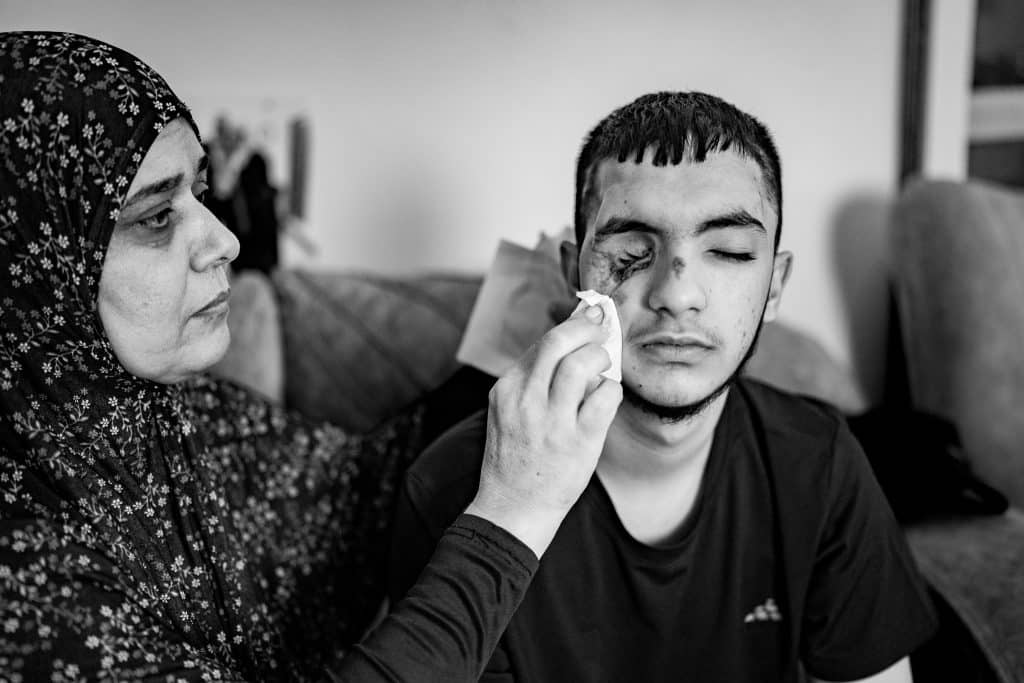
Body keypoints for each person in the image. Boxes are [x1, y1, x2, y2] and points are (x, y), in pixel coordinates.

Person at [0, 32, 622, 682]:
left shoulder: (174, 413)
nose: (227, 240)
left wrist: (527, 331)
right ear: (29, 269)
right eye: (156, 217)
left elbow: (361, 492)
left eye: (201, 194)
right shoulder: (25, 586)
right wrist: (514, 514)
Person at [388, 92, 938, 682]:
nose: (676, 294)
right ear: (574, 273)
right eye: (630, 249)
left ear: (774, 287)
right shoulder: (452, 489)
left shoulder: (818, 463)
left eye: (727, 251)